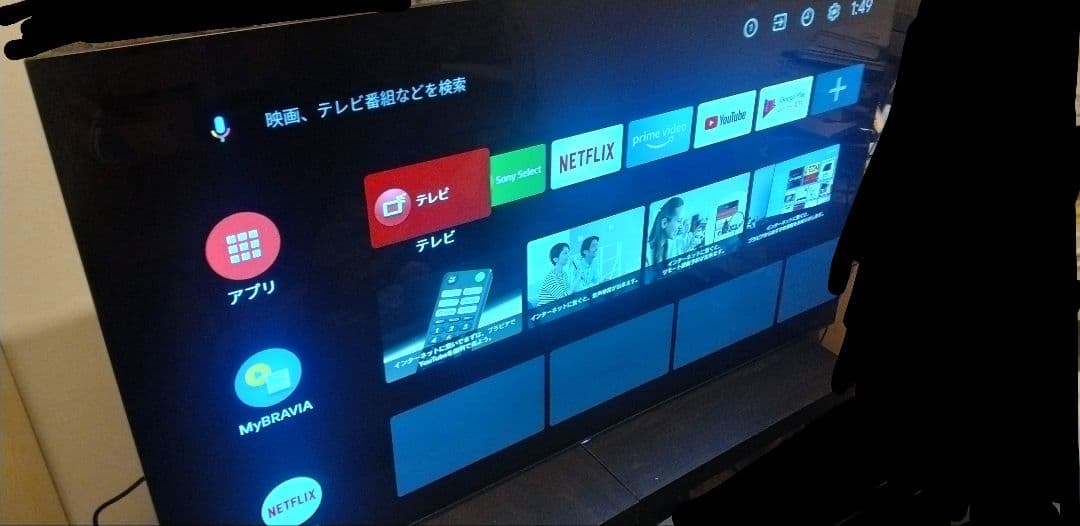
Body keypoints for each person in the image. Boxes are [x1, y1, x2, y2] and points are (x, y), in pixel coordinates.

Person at [648, 197, 685, 267]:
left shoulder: (673, 246)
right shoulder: (646, 253)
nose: (681, 227)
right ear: (664, 223)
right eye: (678, 221)